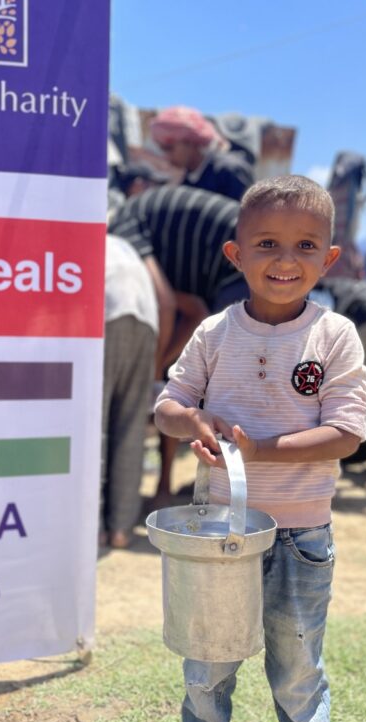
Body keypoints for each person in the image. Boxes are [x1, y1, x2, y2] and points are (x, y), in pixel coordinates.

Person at [155, 176, 366, 722]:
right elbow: (168, 407)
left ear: (329, 259)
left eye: (306, 246)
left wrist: (259, 450)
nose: (285, 259)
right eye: (268, 243)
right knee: (206, 664)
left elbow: (347, 433)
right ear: (236, 254)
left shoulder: (335, 335)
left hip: (302, 537)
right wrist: (195, 421)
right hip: (221, 535)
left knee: (298, 667)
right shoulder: (214, 333)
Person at [108, 185, 247, 502]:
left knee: (221, 387)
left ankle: (222, 494)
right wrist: (160, 371)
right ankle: (164, 489)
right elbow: (192, 308)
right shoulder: (149, 224)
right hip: (237, 266)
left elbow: (166, 304)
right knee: (180, 388)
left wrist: (152, 372)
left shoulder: (120, 230)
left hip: (244, 265)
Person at [99, 234, 159, 548]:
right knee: (130, 426)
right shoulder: (127, 247)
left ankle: (93, 526)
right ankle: (121, 528)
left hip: (104, 314)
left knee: (94, 426)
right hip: (147, 320)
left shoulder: (90, 237)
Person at [150, 105, 255, 202]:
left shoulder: (230, 171)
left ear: (190, 141)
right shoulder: (186, 182)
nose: (167, 156)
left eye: (169, 148)